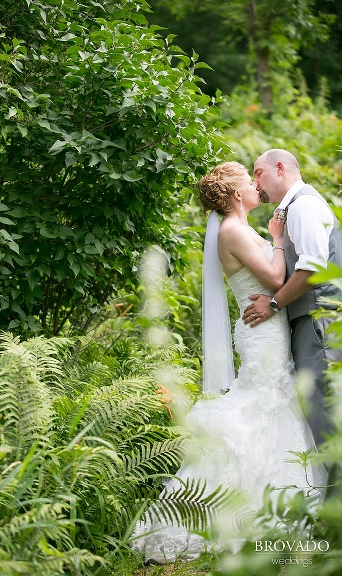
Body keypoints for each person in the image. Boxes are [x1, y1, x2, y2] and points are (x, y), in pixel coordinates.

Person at [132, 162, 325, 563]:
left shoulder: (236, 228)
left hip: (266, 328)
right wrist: (276, 237)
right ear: (238, 195)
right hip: (261, 332)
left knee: (273, 403)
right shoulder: (234, 231)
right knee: (265, 402)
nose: (257, 186)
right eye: (249, 182)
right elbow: (275, 278)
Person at [243, 149, 342, 453]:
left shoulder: (303, 208)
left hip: (318, 323)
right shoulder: (297, 208)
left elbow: (313, 267)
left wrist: (273, 304)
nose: (255, 182)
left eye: (258, 173)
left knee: (328, 425)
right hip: (314, 322)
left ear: (280, 168)